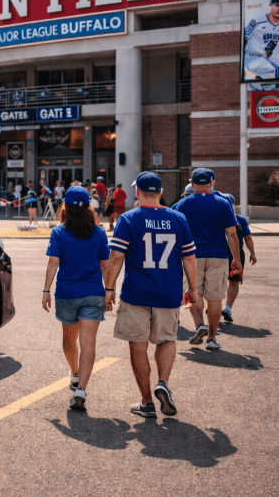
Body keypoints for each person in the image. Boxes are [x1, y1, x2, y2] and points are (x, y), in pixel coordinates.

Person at [105, 172, 198, 418]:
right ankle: (163, 383)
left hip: (137, 293)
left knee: (138, 345)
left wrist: (109, 288)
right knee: (166, 340)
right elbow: (189, 257)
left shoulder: (128, 219)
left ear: (137, 192)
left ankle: (147, 402)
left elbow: (116, 258)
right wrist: (193, 288)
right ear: (159, 192)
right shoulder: (179, 219)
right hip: (168, 292)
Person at [42, 186, 110, 410]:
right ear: (88, 207)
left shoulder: (59, 232)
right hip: (93, 293)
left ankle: (74, 373)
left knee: (69, 339)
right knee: (88, 344)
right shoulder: (99, 233)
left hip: (67, 293)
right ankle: (81, 388)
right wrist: (110, 291)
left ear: (66, 207)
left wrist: (45, 291)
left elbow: (53, 262)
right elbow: (105, 265)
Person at [172, 169, 241, 351]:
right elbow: (232, 233)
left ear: (192, 183)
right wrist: (237, 259)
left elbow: (172, 232)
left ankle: (199, 325)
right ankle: (211, 338)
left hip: (191, 256)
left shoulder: (181, 205)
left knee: (195, 293)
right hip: (218, 255)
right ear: (212, 183)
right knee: (215, 298)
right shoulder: (223, 203)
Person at [216, 193, 257, 323]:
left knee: (216, 282)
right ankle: (227, 307)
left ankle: (214, 306)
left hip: (218, 254)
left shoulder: (215, 219)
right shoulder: (240, 219)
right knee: (234, 282)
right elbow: (248, 238)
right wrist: (253, 253)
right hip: (237, 254)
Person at [242, 0, 279, 83]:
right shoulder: (257, 21)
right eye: (277, 5)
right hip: (251, 58)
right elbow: (244, 39)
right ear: (271, 5)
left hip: (265, 61)